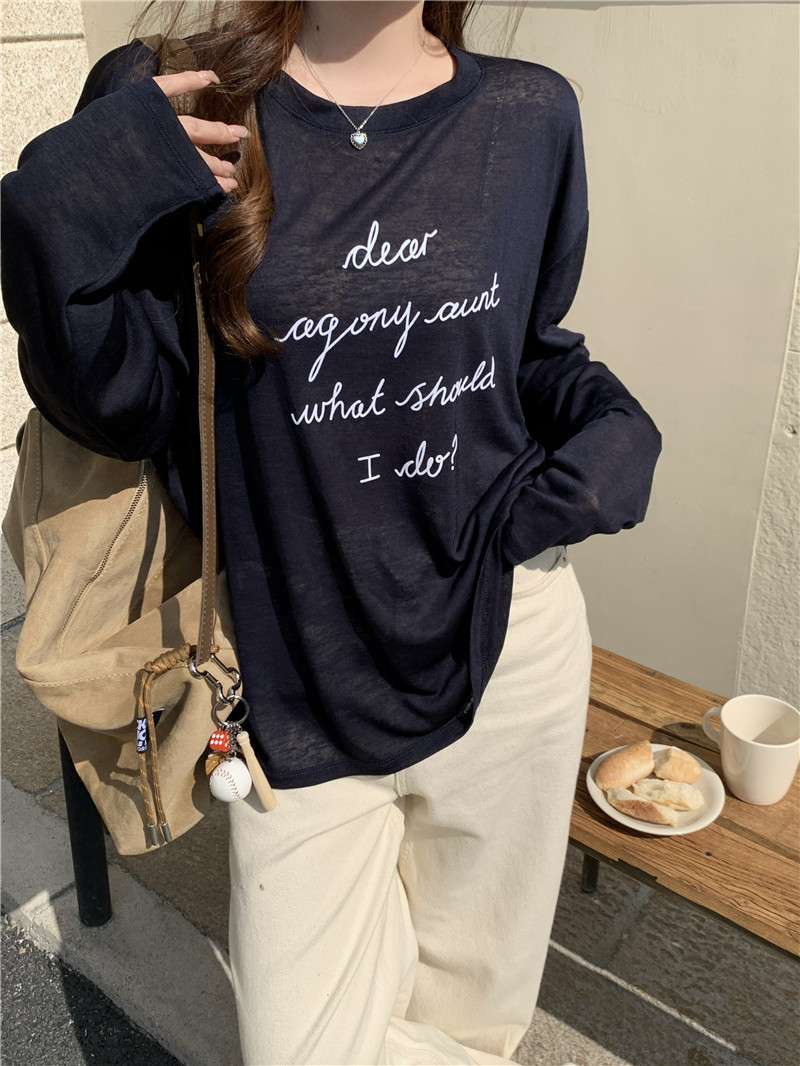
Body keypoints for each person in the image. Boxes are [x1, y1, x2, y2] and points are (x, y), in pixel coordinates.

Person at [1, 2, 661, 1063]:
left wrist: (607, 430)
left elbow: (530, 351)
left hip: (510, 638)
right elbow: (120, 410)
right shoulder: (184, 99)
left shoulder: (529, 115)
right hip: (292, 669)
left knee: (471, 1026)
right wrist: (59, 208)